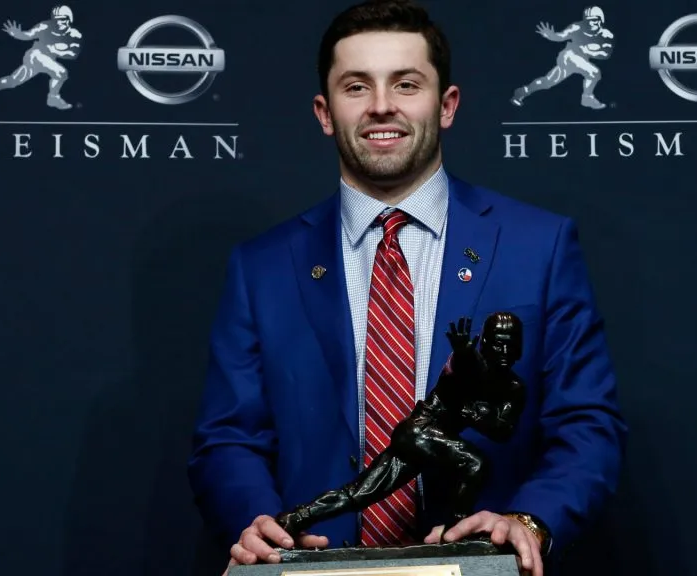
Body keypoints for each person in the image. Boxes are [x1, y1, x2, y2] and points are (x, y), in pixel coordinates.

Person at [186, 1, 626, 575]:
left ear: (447, 106)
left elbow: (587, 424)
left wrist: (531, 520)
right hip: (311, 569)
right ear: (325, 112)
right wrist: (258, 524)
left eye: (406, 84)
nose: (381, 106)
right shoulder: (261, 266)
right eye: (355, 86)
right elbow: (229, 437)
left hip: (483, 568)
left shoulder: (539, 246)